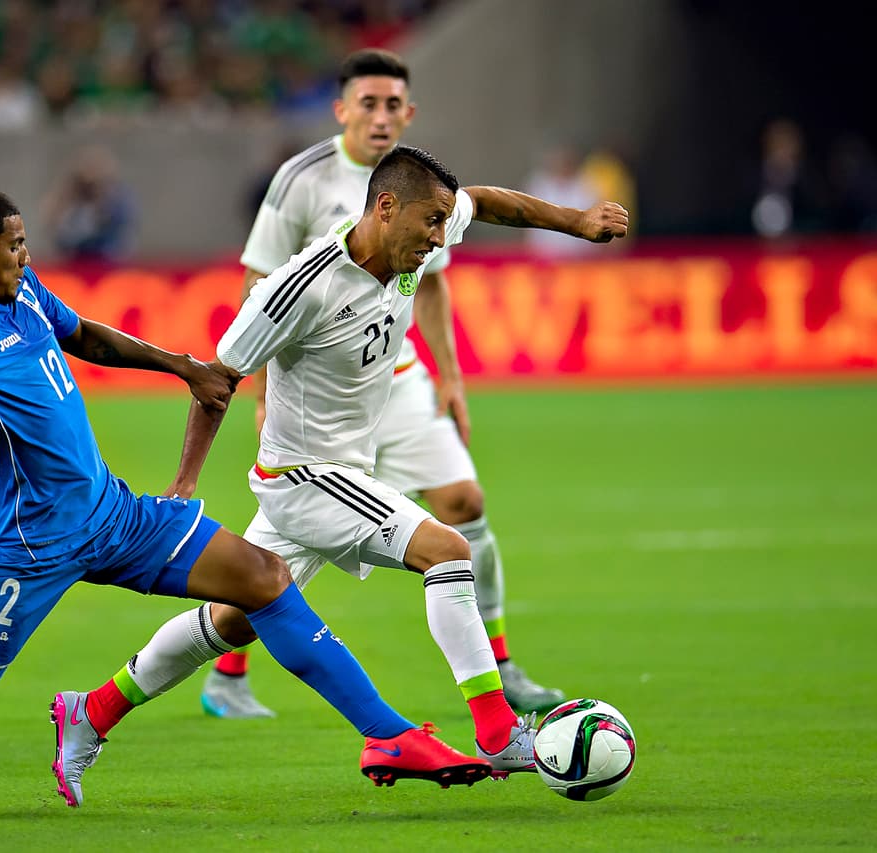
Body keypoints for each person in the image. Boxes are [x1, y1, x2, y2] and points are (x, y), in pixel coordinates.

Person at [0, 184, 495, 811]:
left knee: (264, 578)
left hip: (110, 515)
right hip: (25, 547)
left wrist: (180, 365)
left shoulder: (22, 292)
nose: (26, 256)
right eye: (14, 246)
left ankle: (388, 735)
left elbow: (87, 335)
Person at [54, 146, 628, 804]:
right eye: (430, 222)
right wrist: (184, 485)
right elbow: (217, 379)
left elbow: (491, 201)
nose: (439, 238)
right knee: (447, 550)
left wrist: (576, 222)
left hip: (339, 473)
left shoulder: (417, 240)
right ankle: (498, 731)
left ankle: (91, 710)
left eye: (444, 223)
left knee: (233, 620)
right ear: (385, 208)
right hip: (303, 476)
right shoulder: (302, 286)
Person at [202, 48, 611, 720]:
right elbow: (260, 287)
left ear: (410, 112)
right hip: (323, 394)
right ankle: (226, 670)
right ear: (342, 110)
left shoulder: (427, 191)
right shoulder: (302, 180)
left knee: (462, 502)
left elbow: (438, 276)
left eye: (394, 104)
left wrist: (450, 375)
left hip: (398, 380)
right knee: (280, 555)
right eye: (369, 102)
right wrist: (265, 391)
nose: (382, 115)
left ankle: (500, 665)